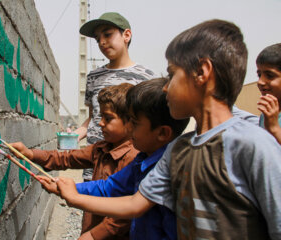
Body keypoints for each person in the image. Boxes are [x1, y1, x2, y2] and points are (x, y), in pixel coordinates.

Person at [45, 19, 281, 239]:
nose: (166, 88)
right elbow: (134, 204)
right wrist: (74, 195)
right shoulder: (179, 149)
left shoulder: (254, 145)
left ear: (201, 72)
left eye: (171, 75)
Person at [39, 78, 190, 240]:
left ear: (162, 133)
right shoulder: (141, 160)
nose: (129, 127)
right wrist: (69, 188)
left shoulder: (168, 168)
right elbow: (108, 187)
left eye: (135, 123)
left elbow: (131, 208)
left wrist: (75, 198)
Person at [10, 83, 138, 240]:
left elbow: (124, 216)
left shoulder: (134, 158)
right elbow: (66, 158)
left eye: (108, 118)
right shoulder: (101, 148)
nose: (100, 123)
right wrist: (30, 153)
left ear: (131, 123)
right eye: (101, 117)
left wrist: (92, 235)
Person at [74, 12, 155, 181]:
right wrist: (74, 135)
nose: (102, 42)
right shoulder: (93, 77)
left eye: (108, 34)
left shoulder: (146, 77)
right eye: (97, 39)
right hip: (94, 163)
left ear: (126, 35)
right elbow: (93, 118)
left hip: (127, 167)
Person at [256, 43, 281, 144]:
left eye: (270, 76)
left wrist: (274, 128)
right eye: (259, 75)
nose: (260, 82)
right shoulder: (266, 114)